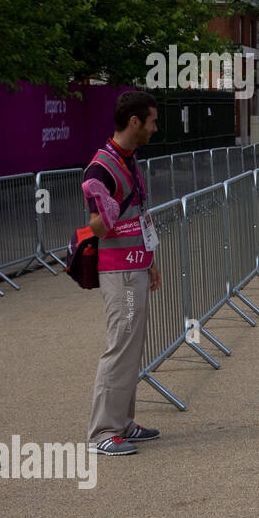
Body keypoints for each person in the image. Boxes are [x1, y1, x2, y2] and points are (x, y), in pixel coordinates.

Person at [82, 91, 163, 456]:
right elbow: (95, 227)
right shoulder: (102, 167)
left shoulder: (127, 160)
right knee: (120, 347)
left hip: (135, 264)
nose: (155, 128)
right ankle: (103, 431)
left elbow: (136, 218)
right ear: (135, 122)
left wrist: (150, 261)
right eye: (152, 121)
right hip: (119, 270)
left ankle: (122, 421)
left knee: (132, 346)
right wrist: (108, 214)